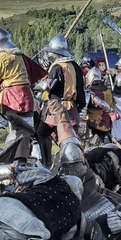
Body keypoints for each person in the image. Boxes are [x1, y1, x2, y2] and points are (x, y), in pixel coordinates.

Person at [0, 28, 46, 163]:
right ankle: (38, 163)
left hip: (11, 98)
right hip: (26, 96)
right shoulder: (20, 56)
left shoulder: (2, 57)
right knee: (29, 133)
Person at [37, 35, 86, 167]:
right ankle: (75, 162)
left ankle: (47, 162)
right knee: (71, 137)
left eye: (51, 52)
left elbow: (47, 86)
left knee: (42, 133)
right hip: (72, 106)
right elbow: (81, 89)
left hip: (56, 106)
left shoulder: (57, 67)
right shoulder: (75, 66)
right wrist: (80, 107)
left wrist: (34, 85)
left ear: (55, 52)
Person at [84, 67, 114, 145]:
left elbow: (98, 104)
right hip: (107, 120)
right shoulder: (108, 90)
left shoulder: (92, 92)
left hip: (95, 122)